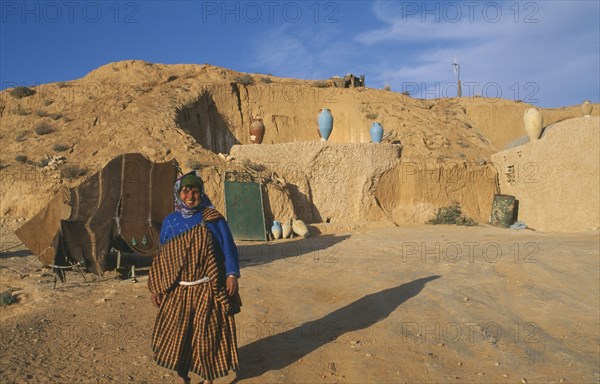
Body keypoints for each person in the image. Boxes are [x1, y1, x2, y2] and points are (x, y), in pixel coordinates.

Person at [148, 171, 240, 384]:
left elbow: (229, 249)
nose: (190, 195)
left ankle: (208, 377)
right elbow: (162, 257)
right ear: (178, 193)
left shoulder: (213, 219)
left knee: (207, 334)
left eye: (195, 191)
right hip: (177, 290)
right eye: (185, 190)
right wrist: (157, 287)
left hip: (208, 288)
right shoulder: (171, 221)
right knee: (178, 334)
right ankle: (182, 376)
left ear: (201, 193)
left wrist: (231, 274)